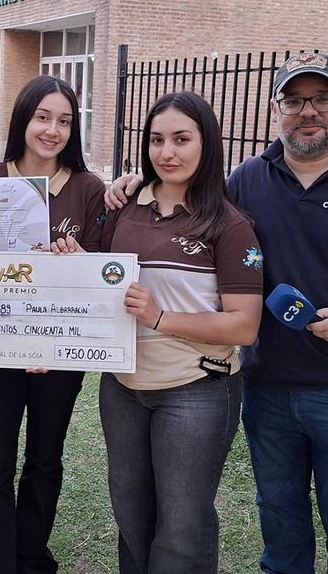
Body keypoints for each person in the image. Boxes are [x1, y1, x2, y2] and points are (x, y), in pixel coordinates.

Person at [108, 52, 328, 573]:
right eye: (293, 100)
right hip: (267, 384)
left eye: (322, 98)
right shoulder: (247, 181)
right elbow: (186, 197)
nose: (308, 111)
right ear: (276, 109)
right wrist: (134, 182)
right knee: (281, 523)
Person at [69, 91, 264, 573]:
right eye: (156, 140)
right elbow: (106, 281)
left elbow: (244, 325)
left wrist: (161, 317)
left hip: (195, 389)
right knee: (131, 514)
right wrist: (75, 268)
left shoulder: (229, 224)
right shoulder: (125, 205)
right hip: (123, 387)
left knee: (182, 526)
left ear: (206, 143)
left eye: (181, 139)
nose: (167, 152)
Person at [0, 75, 106, 574]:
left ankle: (31, 560)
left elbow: (102, 274)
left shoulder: (88, 189)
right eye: (43, 117)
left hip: (60, 353)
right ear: (23, 118)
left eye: (64, 121)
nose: (52, 130)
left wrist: (80, 260)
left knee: (45, 460)